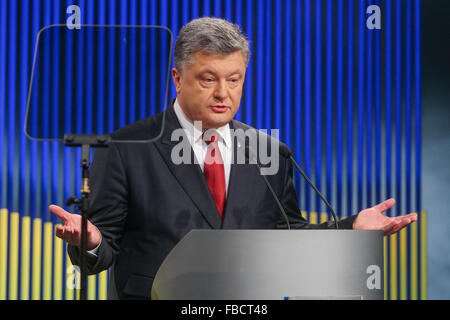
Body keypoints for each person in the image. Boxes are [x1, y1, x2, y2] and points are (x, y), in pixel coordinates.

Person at [49, 17, 417, 299]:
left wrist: (350, 229)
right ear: (178, 78)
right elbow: (101, 252)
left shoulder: (269, 151)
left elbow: (288, 237)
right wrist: (92, 241)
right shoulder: (126, 147)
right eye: (208, 79)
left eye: (235, 79)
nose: (223, 93)